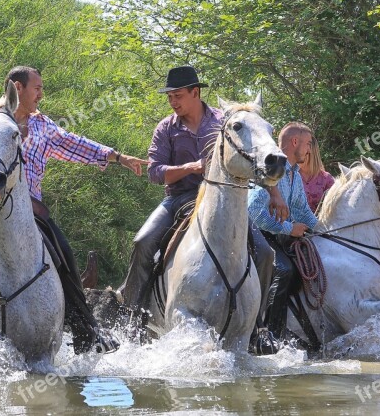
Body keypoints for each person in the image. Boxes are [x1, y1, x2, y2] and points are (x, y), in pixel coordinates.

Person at [0, 66, 147, 354]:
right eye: (38, 88)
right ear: (17, 88)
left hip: (29, 208)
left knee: (65, 257)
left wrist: (118, 157)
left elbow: (76, 144)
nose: (42, 93)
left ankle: (86, 330)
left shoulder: (43, 126)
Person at [117, 66, 288, 313]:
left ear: (195, 92)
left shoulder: (226, 122)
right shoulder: (166, 128)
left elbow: (256, 158)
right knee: (143, 241)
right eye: (169, 97)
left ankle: (258, 325)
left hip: (223, 200)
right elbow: (154, 172)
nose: (172, 102)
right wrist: (191, 167)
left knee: (265, 254)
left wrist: (274, 193)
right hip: (179, 199)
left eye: (178, 96)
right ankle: (132, 312)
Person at [248, 121, 318, 352]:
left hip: (274, 235)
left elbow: (302, 210)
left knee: (298, 267)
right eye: (307, 144)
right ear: (294, 142)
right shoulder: (272, 169)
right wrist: (289, 229)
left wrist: (324, 231)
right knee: (284, 269)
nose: (309, 150)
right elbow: (254, 213)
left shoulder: (295, 176)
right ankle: (268, 335)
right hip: (255, 233)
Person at [300, 135, 335, 212]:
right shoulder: (290, 176)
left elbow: (334, 208)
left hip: (320, 223)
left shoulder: (326, 179)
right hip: (294, 223)